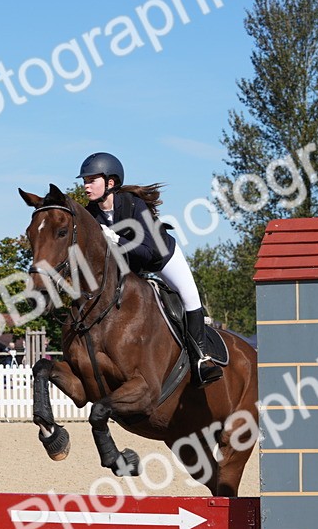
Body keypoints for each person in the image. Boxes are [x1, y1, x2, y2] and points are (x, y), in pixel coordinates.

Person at [77, 152, 221, 386]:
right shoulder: (92, 214)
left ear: (110, 183)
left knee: (190, 297)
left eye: (92, 180)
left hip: (161, 256)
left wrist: (115, 239)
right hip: (130, 265)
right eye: (85, 181)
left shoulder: (134, 205)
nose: (86, 186)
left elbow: (148, 252)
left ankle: (201, 360)